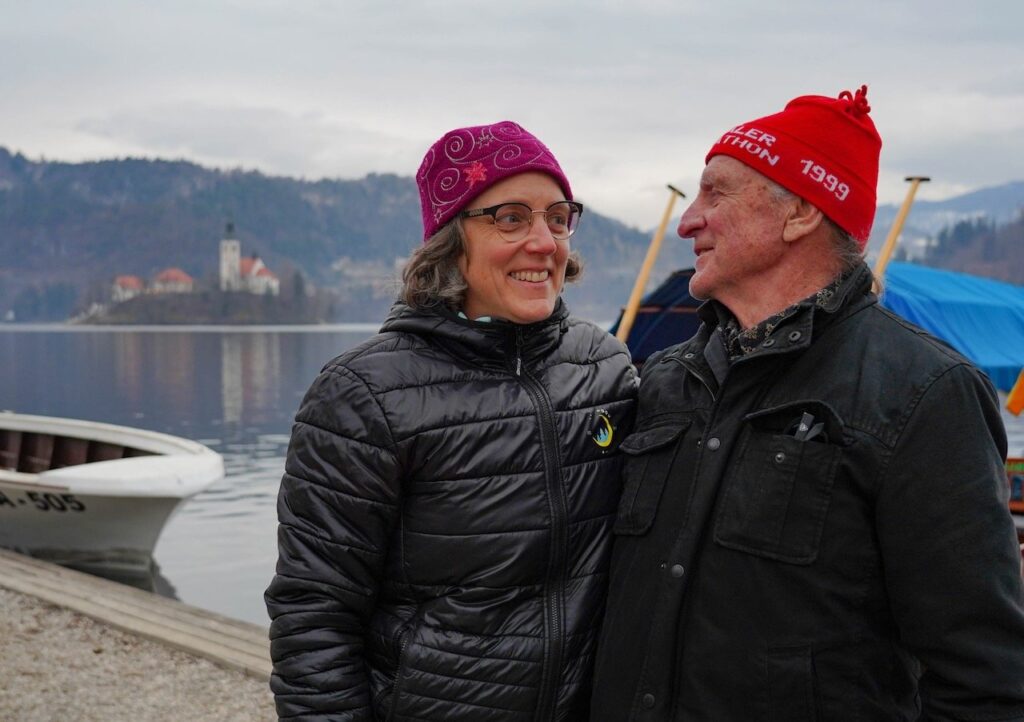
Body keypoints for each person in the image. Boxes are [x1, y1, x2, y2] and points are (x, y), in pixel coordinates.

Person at [591, 86, 1024, 720]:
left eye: (717, 193)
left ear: (799, 213)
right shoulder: (665, 379)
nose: (688, 220)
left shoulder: (924, 393)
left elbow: (984, 679)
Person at [264, 120, 636, 721]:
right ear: (450, 239)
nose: (543, 241)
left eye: (558, 216)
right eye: (510, 218)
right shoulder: (365, 394)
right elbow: (315, 615)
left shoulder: (605, 368)